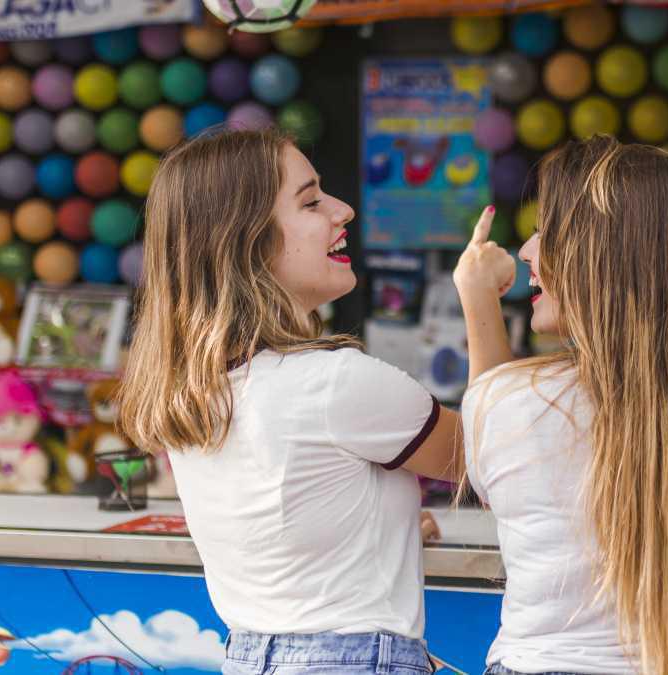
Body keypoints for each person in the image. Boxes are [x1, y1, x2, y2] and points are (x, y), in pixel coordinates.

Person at [117, 128, 513, 675]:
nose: (343, 210)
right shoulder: (333, 383)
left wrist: (382, 527)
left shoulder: (197, 390)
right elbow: (498, 452)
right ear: (246, 241)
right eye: (310, 201)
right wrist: (478, 297)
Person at [456, 136, 668, 675]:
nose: (526, 252)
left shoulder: (511, 402)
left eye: (549, 232)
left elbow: (486, 478)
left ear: (601, 256)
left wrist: (477, 302)